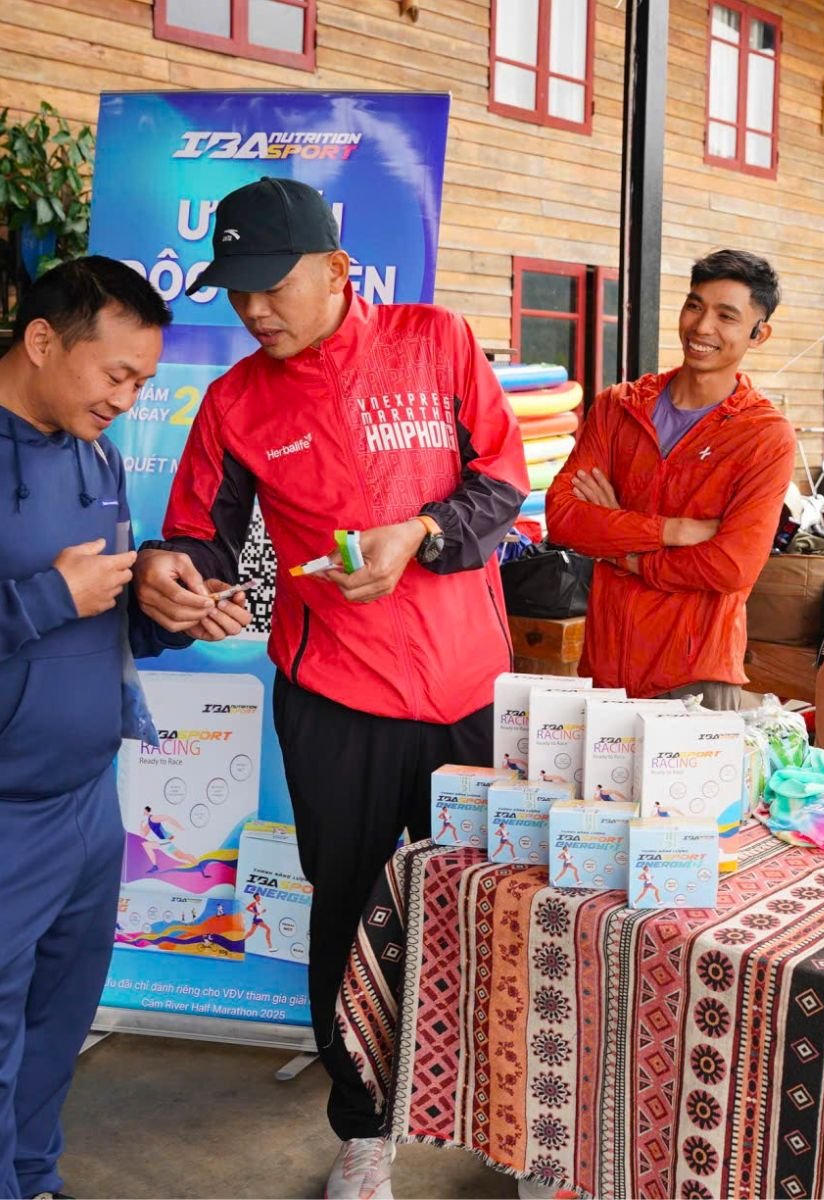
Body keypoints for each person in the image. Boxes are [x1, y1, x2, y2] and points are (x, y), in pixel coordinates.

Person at [132, 177, 528, 1199]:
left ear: (339, 269)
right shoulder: (235, 402)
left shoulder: (438, 342)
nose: (253, 307)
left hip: (468, 693)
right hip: (336, 699)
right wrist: (179, 577)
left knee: (492, 910)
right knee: (349, 918)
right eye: (236, 288)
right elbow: (199, 536)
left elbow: (501, 482)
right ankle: (363, 1131)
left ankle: (507, 1122)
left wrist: (422, 534)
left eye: (273, 282)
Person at [0, 257, 246, 1200]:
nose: (129, 400)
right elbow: (57, 602)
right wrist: (45, 597)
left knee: (59, 1019)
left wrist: (169, 612)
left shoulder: (96, 454)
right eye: (118, 375)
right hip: (6, 812)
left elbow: (101, 619)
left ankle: (34, 1177)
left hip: (87, 799)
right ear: (42, 340)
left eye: (143, 381)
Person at [545, 249, 795, 711]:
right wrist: (672, 531)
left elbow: (731, 565)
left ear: (758, 333)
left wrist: (623, 550)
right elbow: (562, 518)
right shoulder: (619, 407)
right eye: (695, 306)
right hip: (604, 670)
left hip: (697, 678)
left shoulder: (763, 435)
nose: (702, 327)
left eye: (726, 316)